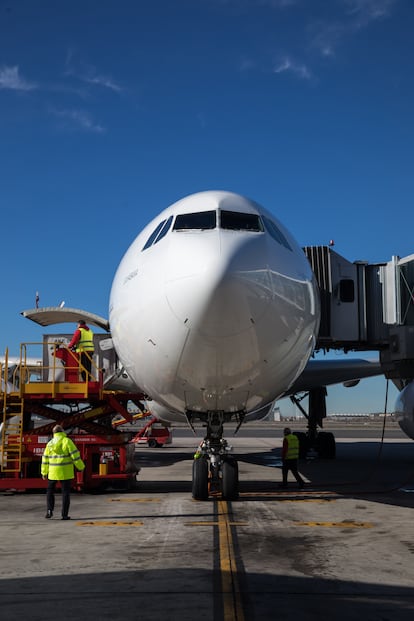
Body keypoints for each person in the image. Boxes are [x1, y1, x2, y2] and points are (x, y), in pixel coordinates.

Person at [41, 425, 85, 520]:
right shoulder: (67, 441)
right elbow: (75, 456)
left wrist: (44, 472)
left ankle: (49, 510)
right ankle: (64, 515)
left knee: (50, 492)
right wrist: (80, 467)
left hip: (53, 473)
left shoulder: (50, 444)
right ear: (62, 431)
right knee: (65, 493)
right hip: (65, 473)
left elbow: (45, 459)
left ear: (53, 433)